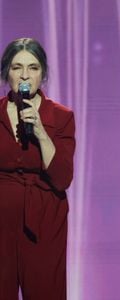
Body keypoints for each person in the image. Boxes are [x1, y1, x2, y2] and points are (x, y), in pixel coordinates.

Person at [0, 38, 75, 299]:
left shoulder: (61, 116)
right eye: (16, 67)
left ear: (42, 74)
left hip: (45, 218)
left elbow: (63, 178)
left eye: (33, 68)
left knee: (45, 291)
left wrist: (41, 133)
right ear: (6, 72)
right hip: (1, 217)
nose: (24, 75)